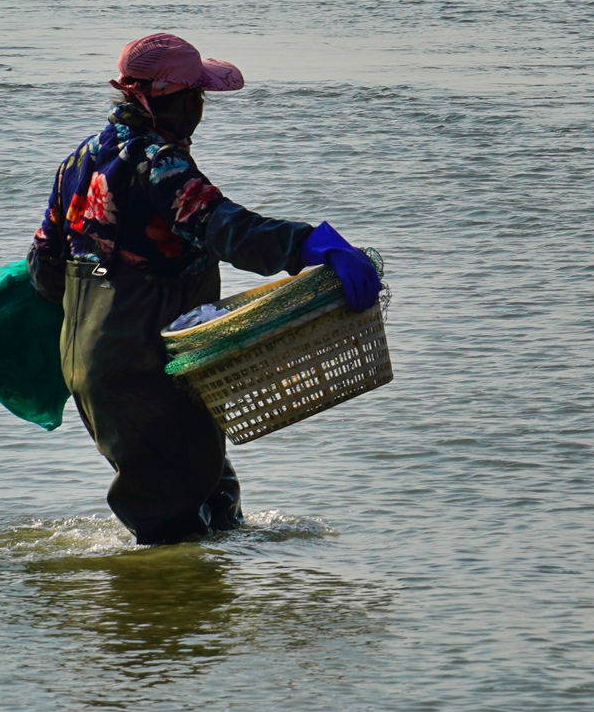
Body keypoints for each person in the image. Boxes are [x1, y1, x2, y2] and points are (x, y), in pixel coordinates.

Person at [25, 32, 378, 545]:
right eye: (198, 97)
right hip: (143, 361)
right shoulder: (157, 162)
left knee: (210, 490)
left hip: (92, 361)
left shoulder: (79, 160)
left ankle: (198, 607)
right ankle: (158, 617)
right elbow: (224, 227)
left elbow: (43, 269)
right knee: (171, 525)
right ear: (176, 100)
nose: (201, 108)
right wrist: (311, 245)